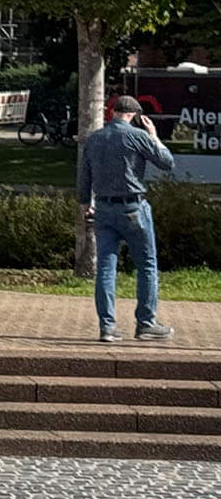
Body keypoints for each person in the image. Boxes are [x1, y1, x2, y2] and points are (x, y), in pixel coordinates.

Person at [80, 96, 176, 343]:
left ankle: (107, 327)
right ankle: (146, 323)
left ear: (113, 112)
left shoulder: (94, 139)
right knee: (146, 265)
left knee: (105, 269)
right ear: (134, 115)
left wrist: (86, 206)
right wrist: (153, 136)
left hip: (102, 209)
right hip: (133, 207)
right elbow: (167, 163)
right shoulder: (138, 136)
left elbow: (84, 179)